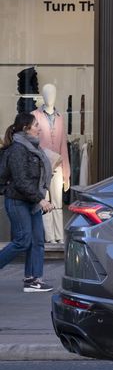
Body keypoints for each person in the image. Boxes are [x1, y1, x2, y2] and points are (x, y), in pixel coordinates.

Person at [0, 112, 55, 292]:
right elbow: (21, 181)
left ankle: (32, 280)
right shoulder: (17, 149)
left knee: (38, 240)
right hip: (17, 201)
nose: (39, 128)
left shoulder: (33, 148)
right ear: (26, 129)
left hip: (31, 200)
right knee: (23, 240)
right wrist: (41, 199)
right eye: (36, 125)